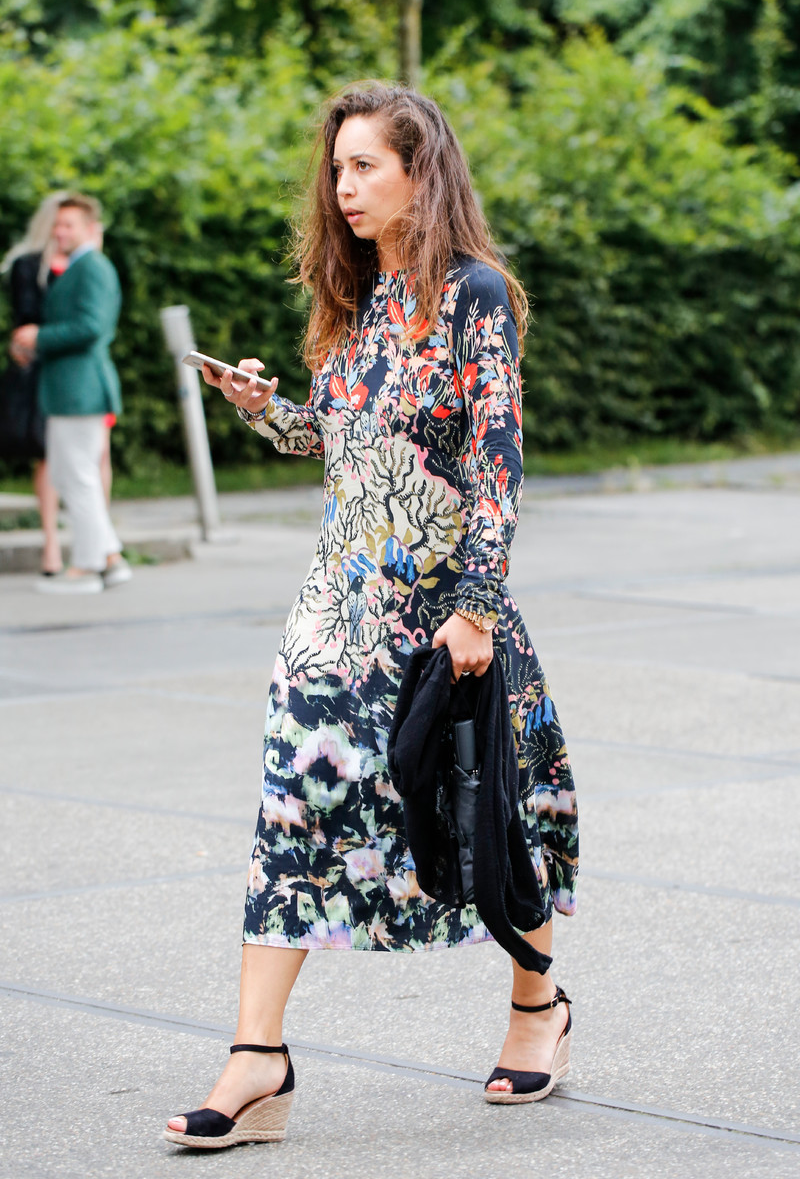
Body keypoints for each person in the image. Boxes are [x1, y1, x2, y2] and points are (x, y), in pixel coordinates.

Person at [163, 83, 579, 1149]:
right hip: (334, 609)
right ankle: (257, 1057)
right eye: (337, 169)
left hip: (443, 610)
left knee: (482, 810)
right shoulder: (354, 300)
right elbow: (340, 437)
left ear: (418, 171)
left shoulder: (473, 294)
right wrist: (269, 411)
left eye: (365, 166)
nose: (344, 188)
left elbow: (495, 462)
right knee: (293, 803)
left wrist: (476, 608)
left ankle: (537, 1006)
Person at [12, 193, 131, 593]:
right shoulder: (83, 265)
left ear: (90, 228)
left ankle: (86, 568)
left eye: (68, 225)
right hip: (72, 389)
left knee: (77, 478)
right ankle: (110, 559)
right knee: (71, 476)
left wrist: (38, 336)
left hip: (80, 389)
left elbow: (91, 327)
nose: (59, 231)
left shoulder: (91, 267)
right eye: (57, 224)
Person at [1, 192, 70, 575]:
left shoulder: (88, 264)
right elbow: (25, 324)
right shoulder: (28, 265)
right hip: (44, 368)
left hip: (76, 370)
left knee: (97, 454)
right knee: (48, 453)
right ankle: (51, 543)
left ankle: (98, 543)